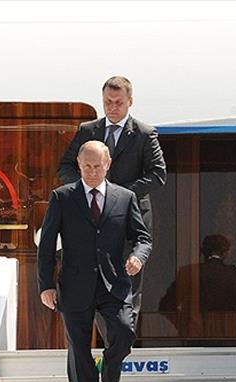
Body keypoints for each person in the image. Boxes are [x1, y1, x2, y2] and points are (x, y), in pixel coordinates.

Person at [39, 140, 152, 382]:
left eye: (97, 166)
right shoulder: (62, 197)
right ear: (78, 165)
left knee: (124, 332)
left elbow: (142, 238)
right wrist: (45, 285)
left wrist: (137, 257)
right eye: (86, 166)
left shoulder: (125, 198)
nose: (91, 172)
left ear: (108, 165)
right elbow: (47, 244)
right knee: (79, 351)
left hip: (113, 283)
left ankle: (110, 380)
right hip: (74, 285)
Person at [58, 76, 166, 337]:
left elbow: (158, 175)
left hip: (130, 219)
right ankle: (112, 345)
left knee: (128, 285)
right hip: (94, 220)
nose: (112, 107)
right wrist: (86, 187)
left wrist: (118, 193)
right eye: (108, 102)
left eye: (118, 102)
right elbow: (65, 168)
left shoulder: (144, 133)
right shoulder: (88, 130)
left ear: (130, 101)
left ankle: (121, 344)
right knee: (97, 283)